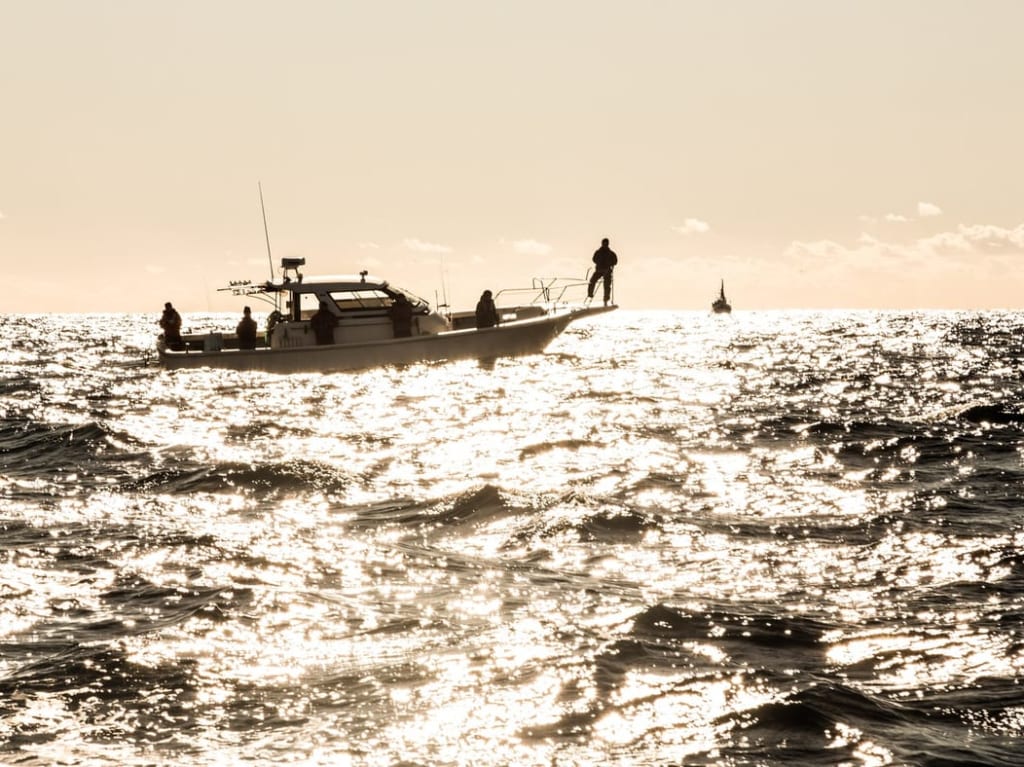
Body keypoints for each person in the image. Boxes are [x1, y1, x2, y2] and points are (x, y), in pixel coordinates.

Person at [587, 237, 618, 306]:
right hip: (599, 270)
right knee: (592, 281)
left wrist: (610, 264)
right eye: (604, 243)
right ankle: (590, 294)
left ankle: (606, 300)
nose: (605, 244)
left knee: (606, 285)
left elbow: (615, 261)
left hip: (607, 271)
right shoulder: (598, 252)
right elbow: (594, 259)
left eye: (606, 243)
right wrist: (600, 263)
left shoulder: (611, 253)